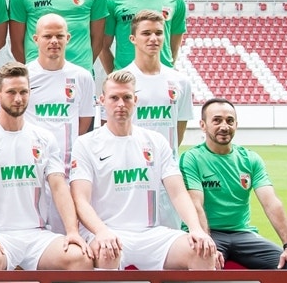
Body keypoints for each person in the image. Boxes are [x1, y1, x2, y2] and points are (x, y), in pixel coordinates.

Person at [69, 70, 216, 270]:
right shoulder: (86, 144)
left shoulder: (155, 141)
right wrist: (101, 231)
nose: (121, 104)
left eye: (127, 97)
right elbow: (80, 200)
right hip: (107, 231)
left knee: (202, 251)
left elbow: (179, 193)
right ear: (102, 101)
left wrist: (196, 229)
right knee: (107, 251)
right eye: (114, 98)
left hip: (151, 233)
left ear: (135, 100)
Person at [0, 63, 93, 271]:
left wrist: (72, 231)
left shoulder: (44, 138)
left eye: (23, 92)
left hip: (37, 235)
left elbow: (59, 187)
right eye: (11, 92)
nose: (18, 98)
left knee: (80, 258)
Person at [182, 99, 287, 269]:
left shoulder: (250, 159)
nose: (224, 126)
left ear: (236, 125)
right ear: (203, 125)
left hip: (243, 234)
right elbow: (196, 205)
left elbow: (271, 203)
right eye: (217, 120)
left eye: (229, 121)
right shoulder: (192, 158)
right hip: (210, 233)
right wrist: (206, 241)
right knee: (206, 262)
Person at [25, 14, 96, 232]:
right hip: (32, 170)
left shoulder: (82, 77)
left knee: (67, 233)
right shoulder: (25, 75)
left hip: (67, 172)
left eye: (59, 36)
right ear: (36, 39)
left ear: (68, 38)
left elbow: (84, 123)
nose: (54, 41)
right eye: (48, 36)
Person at [123, 10, 192, 152]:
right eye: (146, 33)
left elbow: (179, 129)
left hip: (167, 167)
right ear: (132, 39)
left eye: (158, 33)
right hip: (132, 164)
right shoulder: (120, 80)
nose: (153, 38)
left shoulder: (181, 81)